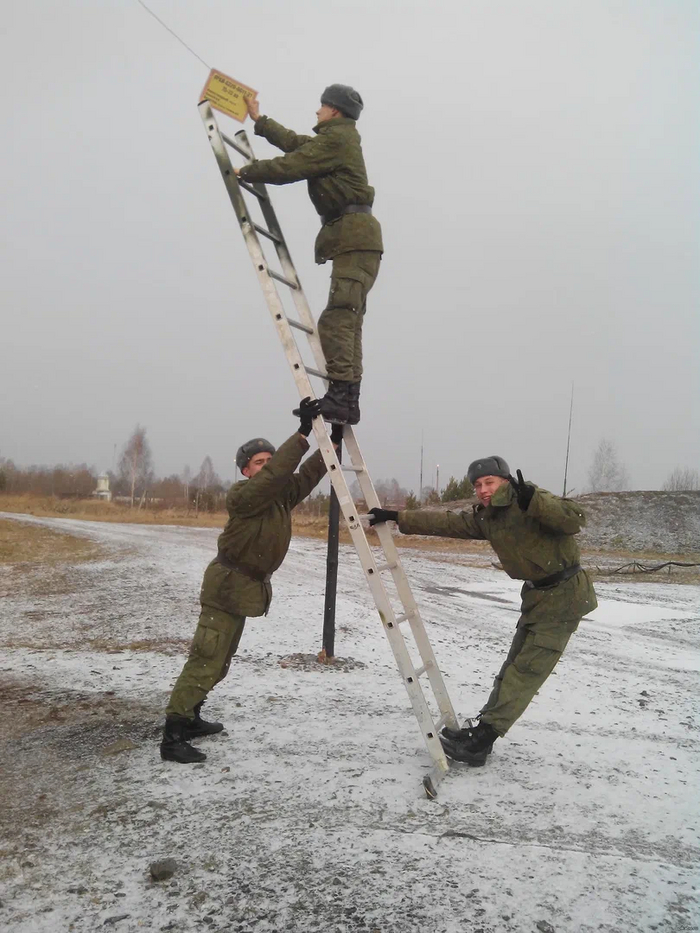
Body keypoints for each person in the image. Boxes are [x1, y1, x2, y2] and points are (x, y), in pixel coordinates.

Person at [368, 457, 597, 766]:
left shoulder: (528, 499)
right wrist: (397, 516)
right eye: (477, 485)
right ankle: (482, 734)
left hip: (565, 595)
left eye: (489, 482)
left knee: (525, 672)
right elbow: (447, 522)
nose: (483, 490)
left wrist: (537, 501)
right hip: (538, 597)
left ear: (504, 480)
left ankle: (482, 741)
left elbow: (575, 519)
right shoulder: (489, 517)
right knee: (512, 667)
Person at [161, 399, 341, 764]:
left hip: (242, 591)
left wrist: (331, 442)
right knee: (206, 659)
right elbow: (278, 476)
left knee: (221, 661)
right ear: (246, 471)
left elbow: (304, 475)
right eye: (260, 462)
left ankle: (192, 716)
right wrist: (302, 433)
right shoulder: (243, 496)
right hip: (226, 587)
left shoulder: (278, 497)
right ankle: (173, 734)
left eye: (270, 460)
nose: (268, 467)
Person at [235, 85, 384, 426]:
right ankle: (347, 400)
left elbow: (293, 165)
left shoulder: (338, 140)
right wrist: (260, 120)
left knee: (336, 321)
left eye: (322, 106)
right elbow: (298, 146)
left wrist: (247, 172)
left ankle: (342, 397)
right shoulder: (335, 141)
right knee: (348, 322)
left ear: (334, 111)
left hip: (354, 240)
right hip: (355, 240)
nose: (317, 111)